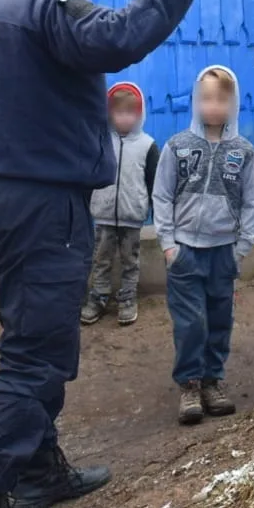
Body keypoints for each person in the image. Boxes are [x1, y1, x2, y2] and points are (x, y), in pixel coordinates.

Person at [0, 0, 221, 508]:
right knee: (35, 353)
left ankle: (39, 469)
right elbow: (115, 36)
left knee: (36, 330)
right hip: (39, 204)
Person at [153, 65, 254, 426]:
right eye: (206, 98)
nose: (213, 106)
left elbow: (251, 202)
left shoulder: (243, 152)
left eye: (221, 99)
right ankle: (189, 384)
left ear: (234, 103)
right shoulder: (178, 146)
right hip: (185, 252)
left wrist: (241, 247)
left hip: (223, 252)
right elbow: (162, 195)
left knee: (219, 320)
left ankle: (212, 381)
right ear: (196, 101)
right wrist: (169, 245)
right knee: (191, 323)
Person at [81, 82, 160, 328]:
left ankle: (127, 298)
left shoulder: (147, 145)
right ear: (109, 113)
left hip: (132, 216)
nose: (124, 118)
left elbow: (153, 181)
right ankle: (98, 297)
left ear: (139, 113)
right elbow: (88, 174)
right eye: (119, 112)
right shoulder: (101, 141)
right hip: (103, 214)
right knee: (101, 259)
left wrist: (157, 211)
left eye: (130, 112)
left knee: (130, 260)